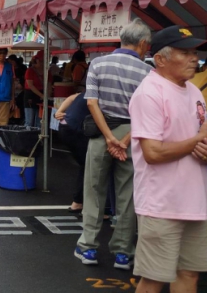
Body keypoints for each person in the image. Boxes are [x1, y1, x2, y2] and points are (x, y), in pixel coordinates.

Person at [128, 25, 207, 292]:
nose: (194, 58)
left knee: (189, 275)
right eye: (185, 52)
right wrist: (199, 139)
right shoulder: (150, 93)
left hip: (193, 200)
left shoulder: (194, 91)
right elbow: (153, 153)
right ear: (160, 59)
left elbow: (198, 141)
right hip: (161, 203)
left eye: (195, 52)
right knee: (154, 279)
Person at [75, 18, 153, 269]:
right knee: (127, 194)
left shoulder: (98, 63)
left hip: (101, 133)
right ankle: (123, 252)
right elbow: (147, 112)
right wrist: (123, 140)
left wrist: (109, 137)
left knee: (94, 190)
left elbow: (91, 102)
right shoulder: (148, 72)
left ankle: (88, 247)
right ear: (142, 43)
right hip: (133, 135)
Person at [54, 93, 89, 214]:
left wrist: (59, 111)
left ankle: (78, 202)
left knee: (85, 164)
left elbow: (70, 97)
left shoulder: (89, 90)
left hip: (65, 126)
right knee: (88, 165)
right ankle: (79, 202)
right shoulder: (100, 92)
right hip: (74, 129)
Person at [23, 52, 46, 128]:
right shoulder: (30, 70)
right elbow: (30, 85)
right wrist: (42, 96)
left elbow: (48, 85)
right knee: (29, 121)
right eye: (41, 61)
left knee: (39, 121)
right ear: (37, 60)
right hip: (31, 96)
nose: (43, 63)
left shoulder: (47, 71)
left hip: (41, 96)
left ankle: (37, 134)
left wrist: (46, 96)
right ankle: (27, 134)